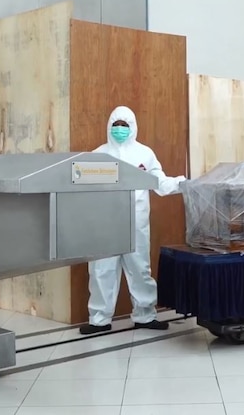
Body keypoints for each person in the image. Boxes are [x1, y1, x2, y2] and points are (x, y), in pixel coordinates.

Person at [79, 105, 186, 335]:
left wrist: (181, 184)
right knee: (101, 270)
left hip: (136, 223)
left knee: (140, 268)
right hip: (104, 224)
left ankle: (145, 316)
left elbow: (159, 182)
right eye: (116, 125)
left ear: (133, 127)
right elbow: (84, 188)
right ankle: (99, 319)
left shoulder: (144, 154)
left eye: (124, 125)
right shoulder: (97, 155)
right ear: (109, 126)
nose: (120, 130)